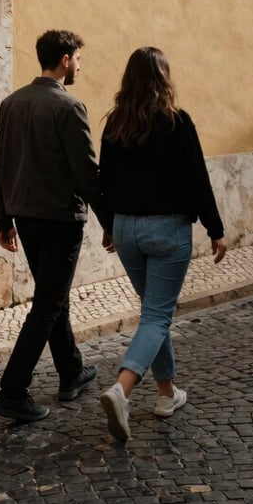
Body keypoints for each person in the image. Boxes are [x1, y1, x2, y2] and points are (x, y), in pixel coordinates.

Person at [98, 46, 226, 442]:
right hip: (167, 231)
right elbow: (196, 179)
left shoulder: (115, 124)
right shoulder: (176, 122)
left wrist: (109, 227)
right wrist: (215, 228)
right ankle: (122, 389)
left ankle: (167, 394)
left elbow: (106, 183)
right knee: (156, 316)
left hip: (126, 230)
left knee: (155, 312)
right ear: (163, 79)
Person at [0, 29, 109, 423]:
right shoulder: (69, 106)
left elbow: (0, 166)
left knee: (53, 297)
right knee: (47, 304)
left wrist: (3, 218)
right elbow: (86, 173)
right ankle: (12, 390)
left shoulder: (12, 103)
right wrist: (111, 222)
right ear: (64, 59)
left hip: (25, 217)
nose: (79, 65)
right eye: (77, 58)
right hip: (59, 219)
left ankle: (71, 372)